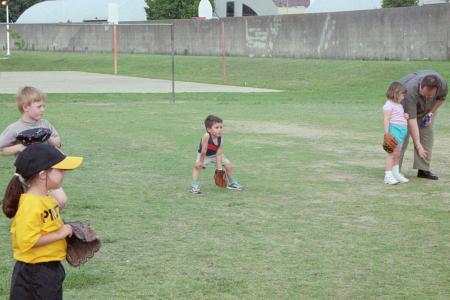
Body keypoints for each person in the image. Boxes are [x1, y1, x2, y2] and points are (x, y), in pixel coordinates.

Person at [2, 143, 83, 300]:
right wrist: (61, 233)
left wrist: (68, 233)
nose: (65, 173)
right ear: (42, 174)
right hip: (34, 272)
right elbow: (27, 240)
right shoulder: (31, 205)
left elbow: (47, 227)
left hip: (49, 268)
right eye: (60, 170)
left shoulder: (47, 199)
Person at [0, 86, 69, 208]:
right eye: (39, 107)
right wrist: (19, 147)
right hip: (27, 174)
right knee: (30, 205)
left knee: (61, 201)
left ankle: (50, 224)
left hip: (47, 171)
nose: (42, 110)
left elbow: (58, 143)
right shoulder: (15, 128)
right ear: (26, 107)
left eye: (44, 106)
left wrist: (47, 137)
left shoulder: (45, 124)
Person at [398, 71, 448, 180]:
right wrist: (418, 144)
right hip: (403, 108)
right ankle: (394, 170)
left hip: (427, 108)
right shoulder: (410, 90)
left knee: (427, 136)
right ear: (421, 86)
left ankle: (423, 169)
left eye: (430, 95)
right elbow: (411, 120)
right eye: (424, 94)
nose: (426, 96)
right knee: (402, 137)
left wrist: (430, 113)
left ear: (436, 90)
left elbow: (441, 98)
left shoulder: (442, 84)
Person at [191, 115, 242, 194]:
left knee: (229, 166)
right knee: (197, 167)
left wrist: (220, 169)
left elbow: (218, 154)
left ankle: (232, 183)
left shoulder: (220, 139)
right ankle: (194, 186)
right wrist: (201, 162)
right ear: (209, 129)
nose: (219, 130)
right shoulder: (206, 136)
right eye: (216, 127)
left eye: (221, 127)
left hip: (215, 155)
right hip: (204, 155)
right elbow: (204, 151)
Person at [383, 82, 409, 185]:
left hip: (402, 131)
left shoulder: (399, 105)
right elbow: (386, 119)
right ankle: (388, 176)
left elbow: (398, 116)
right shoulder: (388, 105)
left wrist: (405, 115)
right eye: (402, 94)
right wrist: (387, 134)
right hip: (394, 131)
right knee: (391, 154)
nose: (403, 97)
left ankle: (396, 173)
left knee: (398, 154)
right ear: (396, 93)